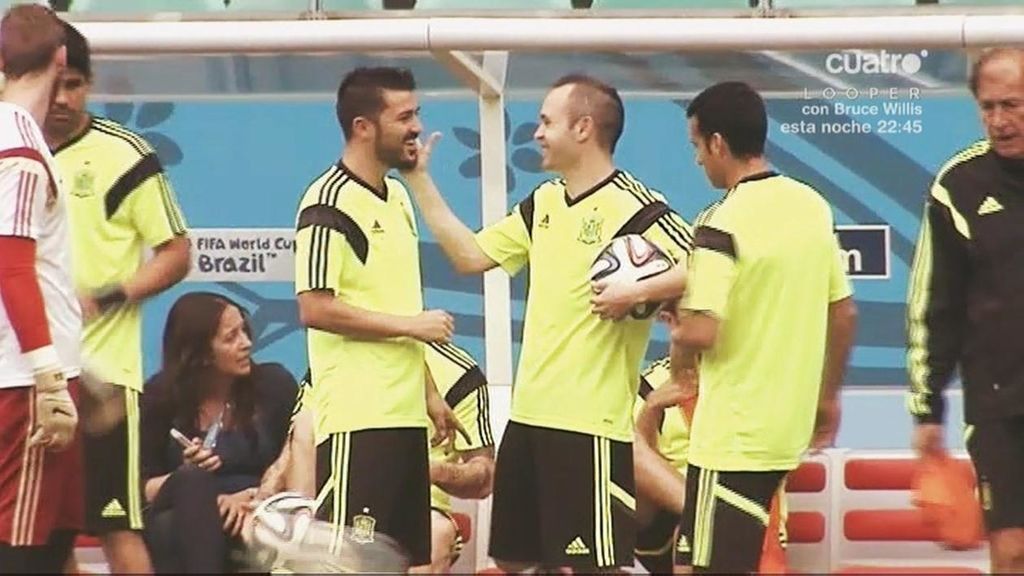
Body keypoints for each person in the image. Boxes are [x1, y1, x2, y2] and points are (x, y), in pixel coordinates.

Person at [401, 73, 692, 573]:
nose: (536, 132)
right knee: (514, 560)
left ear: (583, 128)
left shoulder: (640, 207)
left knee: (592, 567)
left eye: (545, 121)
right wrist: (419, 180)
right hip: (530, 419)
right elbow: (470, 255)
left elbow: (710, 267)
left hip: (591, 427)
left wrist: (637, 290)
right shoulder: (543, 203)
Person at [668, 80, 856, 574]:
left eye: (695, 146)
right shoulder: (813, 206)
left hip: (730, 439)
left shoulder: (719, 221)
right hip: (785, 432)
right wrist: (828, 396)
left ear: (717, 143)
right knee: (692, 562)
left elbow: (702, 331)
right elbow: (844, 312)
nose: (697, 161)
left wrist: (678, 341)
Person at [293, 66, 461, 570]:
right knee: (349, 563)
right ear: (364, 126)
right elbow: (314, 307)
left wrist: (430, 395)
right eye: (404, 116)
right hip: (358, 422)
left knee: (399, 562)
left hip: (405, 420)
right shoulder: (326, 200)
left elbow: (395, 303)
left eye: (417, 113)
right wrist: (414, 327)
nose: (416, 127)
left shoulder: (399, 199)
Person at [43, 20, 191, 575]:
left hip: (102, 380)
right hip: (26, 378)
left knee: (116, 525)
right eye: (52, 84)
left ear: (91, 83)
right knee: (39, 535)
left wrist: (105, 295)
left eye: (75, 84)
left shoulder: (124, 152)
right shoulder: (12, 150)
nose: (61, 99)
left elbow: (176, 253)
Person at [906, 47, 1024, 573]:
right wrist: (927, 407)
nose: (1000, 121)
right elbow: (937, 303)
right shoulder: (959, 185)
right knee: (1014, 547)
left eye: (1014, 106)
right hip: (998, 405)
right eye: (989, 107)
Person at [257, 341, 495, 574]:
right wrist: (266, 494)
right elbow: (297, 441)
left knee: (435, 535)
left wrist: (431, 472)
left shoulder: (459, 373)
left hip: (417, 505)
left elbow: (484, 479)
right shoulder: (334, 358)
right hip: (333, 498)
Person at [0, 5, 83, 573]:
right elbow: (10, 264)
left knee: (53, 546)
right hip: (25, 380)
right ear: (60, 60)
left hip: (33, 369)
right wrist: (50, 375)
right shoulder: (21, 152)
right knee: (23, 552)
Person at [139, 292, 296, 573]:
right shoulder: (160, 397)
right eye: (230, 337)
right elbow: (143, 488)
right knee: (192, 480)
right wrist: (198, 489)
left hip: (258, 506)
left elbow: (298, 460)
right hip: (183, 510)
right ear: (199, 354)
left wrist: (249, 497)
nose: (246, 343)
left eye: (244, 331)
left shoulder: (274, 386)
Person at [631, 357, 788, 575]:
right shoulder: (650, 382)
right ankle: (705, 513)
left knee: (695, 533)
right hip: (670, 515)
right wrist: (651, 408)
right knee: (625, 444)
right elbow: (643, 473)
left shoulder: (753, 381)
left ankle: (709, 514)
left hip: (738, 514)